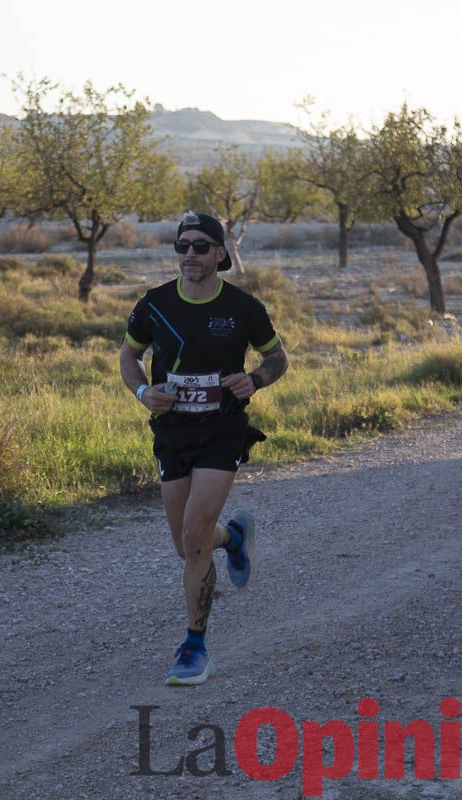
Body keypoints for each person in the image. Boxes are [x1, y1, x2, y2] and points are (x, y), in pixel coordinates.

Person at [119, 211, 288, 685]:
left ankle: (195, 647)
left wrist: (253, 380)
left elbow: (278, 357)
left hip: (222, 432)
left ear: (220, 253)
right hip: (172, 433)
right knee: (187, 545)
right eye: (181, 246)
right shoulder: (153, 305)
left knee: (194, 537)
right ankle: (233, 538)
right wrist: (141, 393)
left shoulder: (243, 307)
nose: (188, 254)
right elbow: (129, 355)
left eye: (199, 246)